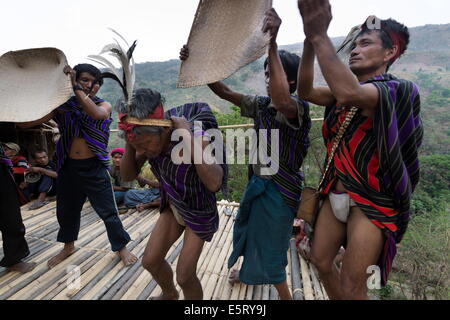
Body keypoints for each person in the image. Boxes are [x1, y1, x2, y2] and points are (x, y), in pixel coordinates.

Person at [180, 8, 311, 300]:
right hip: (258, 185)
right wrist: (198, 63)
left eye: (273, 72)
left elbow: (281, 98)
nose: (267, 77)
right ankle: (250, 272)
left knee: (273, 246)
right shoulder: (261, 105)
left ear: (291, 81)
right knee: (249, 232)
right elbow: (225, 92)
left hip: (280, 192)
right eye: (265, 72)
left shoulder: (297, 108)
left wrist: (273, 44)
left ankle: (285, 296)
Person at [297, 0, 423, 299]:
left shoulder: (399, 90)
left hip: (372, 202)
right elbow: (305, 92)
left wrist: (320, 36)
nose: (354, 49)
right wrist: (309, 40)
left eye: (365, 43)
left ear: (390, 52)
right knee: (321, 261)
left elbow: (349, 92)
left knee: (356, 285)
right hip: (336, 192)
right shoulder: (341, 93)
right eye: (353, 43)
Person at [18, 63, 137, 269]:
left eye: (94, 82)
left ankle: (121, 247)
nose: (90, 85)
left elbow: (97, 115)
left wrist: (77, 88)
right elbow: (26, 124)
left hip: (94, 167)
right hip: (68, 167)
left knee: (108, 210)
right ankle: (68, 246)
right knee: (66, 211)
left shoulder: (103, 105)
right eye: (84, 80)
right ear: (74, 81)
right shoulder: (63, 107)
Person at [119, 88, 227, 300]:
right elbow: (128, 175)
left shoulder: (195, 133)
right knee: (150, 261)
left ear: (164, 130)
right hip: (174, 204)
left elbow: (214, 182)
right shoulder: (144, 140)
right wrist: (130, 142)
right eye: (137, 146)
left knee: (185, 276)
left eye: (146, 144)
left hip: (199, 209)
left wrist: (186, 134)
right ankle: (170, 295)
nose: (145, 151)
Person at [0, 144, 37, 273]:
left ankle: (14, 259)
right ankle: (14, 259)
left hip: (3, 176)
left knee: (11, 218)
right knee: (10, 218)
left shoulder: (19, 159)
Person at [110, 147, 160, 213]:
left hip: (129, 191)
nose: (117, 160)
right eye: (115, 157)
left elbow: (127, 189)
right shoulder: (111, 168)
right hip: (139, 192)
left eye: (120, 157)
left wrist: (110, 187)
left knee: (117, 196)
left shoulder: (127, 169)